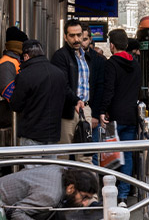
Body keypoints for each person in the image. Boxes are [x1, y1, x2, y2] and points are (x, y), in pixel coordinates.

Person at [95, 29, 142, 205]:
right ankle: (123, 194)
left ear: (112, 45)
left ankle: (111, 193)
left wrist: (102, 110)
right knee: (127, 155)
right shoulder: (136, 65)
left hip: (112, 117)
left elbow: (109, 90)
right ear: (127, 45)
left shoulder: (111, 64)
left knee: (111, 156)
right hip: (130, 116)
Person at [10, 40, 72, 152]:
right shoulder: (59, 74)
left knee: (33, 169)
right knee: (50, 168)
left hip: (31, 133)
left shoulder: (24, 75)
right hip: (53, 133)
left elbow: (16, 105)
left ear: (26, 56)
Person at [50, 20, 93, 154]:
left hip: (85, 109)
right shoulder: (61, 56)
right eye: (72, 35)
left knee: (85, 155)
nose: (76, 39)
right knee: (64, 153)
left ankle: (86, 176)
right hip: (68, 110)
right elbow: (62, 84)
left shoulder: (85, 56)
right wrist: (75, 100)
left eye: (79, 35)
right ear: (65, 37)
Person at [81, 24, 106, 162]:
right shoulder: (66, 57)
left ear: (90, 39)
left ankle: (91, 183)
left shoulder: (99, 60)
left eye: (84, 38)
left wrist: (96, 114)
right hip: (71, 112)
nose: (81, 42)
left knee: (91, 155)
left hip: (90, 112)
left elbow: (100, 88)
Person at [0, 26, 28, 134]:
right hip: (7, 118)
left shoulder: (15, 61)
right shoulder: (7, 63)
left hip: (13, 118)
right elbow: (9, 94)